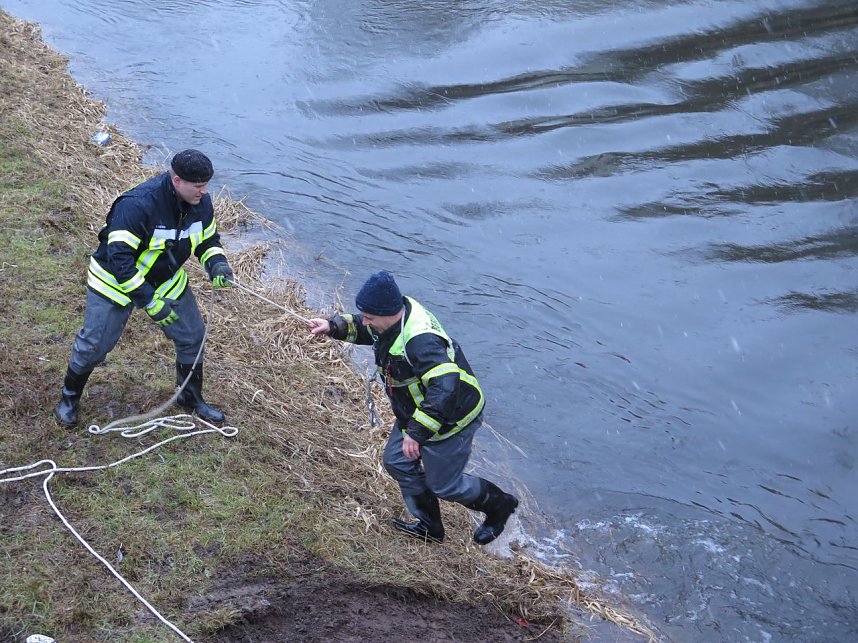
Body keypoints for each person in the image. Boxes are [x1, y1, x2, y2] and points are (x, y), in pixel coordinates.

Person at [308, 270, 519, 545]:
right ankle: (430, 527)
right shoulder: (390, 317)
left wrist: (417, 433)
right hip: (418, 410)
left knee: (444, 485)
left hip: (452, 418)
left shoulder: (421, 341)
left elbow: (445, 387)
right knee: (397, 461)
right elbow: (365, 328)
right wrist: (332, 326)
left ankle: (500, 505)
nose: (366, 321)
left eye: (370, 317)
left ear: (387, 312)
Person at [54, 149, 234, 428]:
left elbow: (207, 240)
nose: (204, 191)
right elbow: (120, 260)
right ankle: (68, 399)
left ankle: (189, 397)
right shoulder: (137, 204)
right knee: (95, 345)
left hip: (166, 280)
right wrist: (149, 301)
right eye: (198, 186)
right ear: (176, 180)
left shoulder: (201, 203)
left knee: (193, 336)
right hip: (113, 282)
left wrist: (217, 264)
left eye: (206, 184)